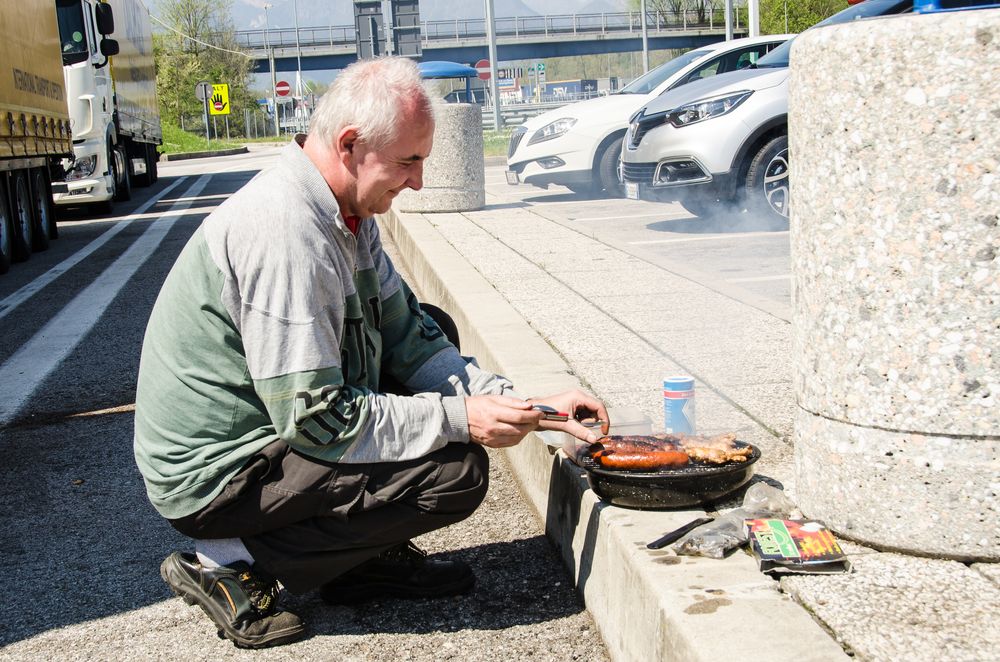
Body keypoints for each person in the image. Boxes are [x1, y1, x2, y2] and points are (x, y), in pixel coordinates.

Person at [133, 56, 609, 650]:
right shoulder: (287, 234)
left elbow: (411, 336)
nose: (418, 181)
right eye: (408, 161)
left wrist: (533, 409)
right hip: (221, 476)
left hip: (277, 427)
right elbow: (317, 418)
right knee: (453, 472)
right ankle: (226, 559)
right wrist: (461, 419)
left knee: (433, 327)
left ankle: (356, 561)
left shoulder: (347, 213)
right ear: (351, 144)